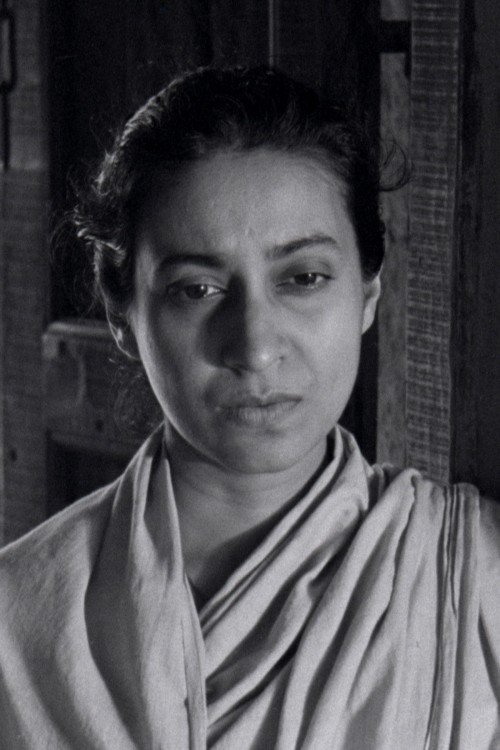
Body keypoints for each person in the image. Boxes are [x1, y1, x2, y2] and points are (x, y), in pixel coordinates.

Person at [0, 66, 499, 750]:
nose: (256, 347)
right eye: (197, 289)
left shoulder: (474, 580)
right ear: (122, 314)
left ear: (368, 293)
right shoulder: (17, 626)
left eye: (303, 278)